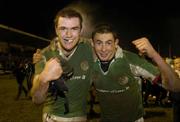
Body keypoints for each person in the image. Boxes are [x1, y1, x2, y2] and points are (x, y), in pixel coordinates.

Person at [90, 24, 180, 122]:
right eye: (99, 43)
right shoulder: (89, 62)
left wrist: (154, 54)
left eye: (108, 43)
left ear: (116, 43)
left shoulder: (132, 60)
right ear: (92, 43)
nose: (103, 49)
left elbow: (175, 86)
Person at [30, 8, 93, 122]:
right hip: (52, 117)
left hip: (81, 117)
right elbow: (36, 100)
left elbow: (111, 48)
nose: (68, 34)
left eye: (74, 29)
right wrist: (44, 78)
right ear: (56, 30)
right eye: (63, 28)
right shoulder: (44, 55)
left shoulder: (90, 48)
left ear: (81, 30)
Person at [171, 57, 180, 122]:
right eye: (176, 63)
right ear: (174, 65)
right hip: (177, 97)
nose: (179, 64)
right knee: (177, 114)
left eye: (179, 62)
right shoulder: (173, 73)